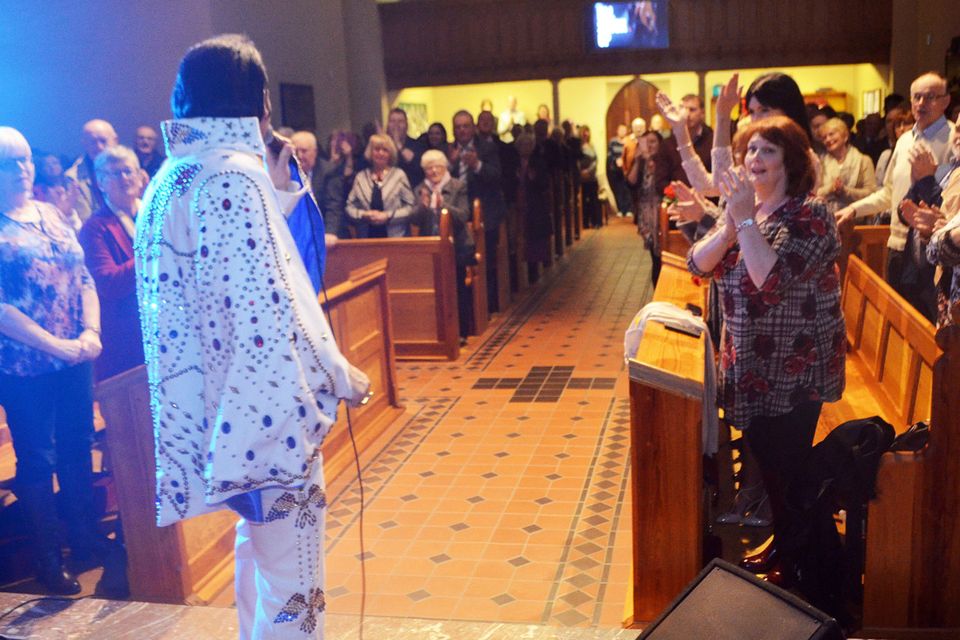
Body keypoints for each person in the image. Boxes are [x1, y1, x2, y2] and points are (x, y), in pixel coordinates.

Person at [135, 34, 370, 639]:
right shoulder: (232, 179)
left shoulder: (169, 179)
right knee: (295, 588)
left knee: (257, 564)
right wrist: (337, 374)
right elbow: (270, 312)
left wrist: (278, 181)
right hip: (266, 423)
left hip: (217, 421)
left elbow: (247, 273)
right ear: (261, 101)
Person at [688, 116, 846, 586]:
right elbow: (698, 263)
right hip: (751, 362)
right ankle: (786, 546)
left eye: (767, 151)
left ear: (791, 162)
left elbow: (769, 280)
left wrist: (741, 221)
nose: (754, 160)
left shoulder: (810, 215)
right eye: (750, 150)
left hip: (796, 367)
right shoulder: (747, 208)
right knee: (772, 465)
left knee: (789, 471)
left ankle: (814, 573)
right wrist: (730, 225)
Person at [0, 126, 118, 596]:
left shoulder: (52, 213)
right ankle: (49, 563)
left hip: (75, 358)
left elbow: (84, 276)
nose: (24, 169)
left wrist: (90, 332)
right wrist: (57, 345)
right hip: (26, 369)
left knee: (76, 447)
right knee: (38, 460)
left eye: (26, 159)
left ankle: (85, 542)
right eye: (11, 162)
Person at [835, 72, 953, 321]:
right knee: (899, 321)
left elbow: (953, 199)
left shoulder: (954, 139)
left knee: (928, 323)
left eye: (930, 97)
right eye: (917, 97)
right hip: (897, 245)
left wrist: (931, 176)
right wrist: (854, 209)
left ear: (945, 101)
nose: (921, 103)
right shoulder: (904, 141)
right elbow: (889, 193)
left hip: (932, 252)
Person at [77, 145, 145, 382]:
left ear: (140, 176)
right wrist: (152, 254)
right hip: (126, 341)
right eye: (114, 174)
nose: (124, 178)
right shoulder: (94, 228)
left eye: (128, 171)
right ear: (100, 182)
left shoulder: (156, 215)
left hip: (170, 329)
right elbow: (108, 283)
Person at [410, 150, 476, 338]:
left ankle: (461, 331)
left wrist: (443, 205)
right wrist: (422, 207)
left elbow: (464, 215)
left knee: (458, 288)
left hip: (458, 247)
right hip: (430, 247)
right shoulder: (420, 189)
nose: (433, 171)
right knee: (433, 290)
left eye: (437, 166)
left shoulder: (458, 186)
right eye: (429, 168)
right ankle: (437, 333)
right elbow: (414, 219)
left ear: (444, 167)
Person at [449, 109, 507, 312]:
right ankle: (465, 310)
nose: (462, 130)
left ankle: (487, 307)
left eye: (466, 126)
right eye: (458, 127)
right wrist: (450, 164)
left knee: (485, 263)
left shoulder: (487, 148)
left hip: (484, 213)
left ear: (473, 128)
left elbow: (496, 176)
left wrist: (476, 165)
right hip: (457, 216)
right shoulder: (449, 151)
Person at [345, 133, 414, 238]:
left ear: (390, 153)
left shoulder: (399, 175)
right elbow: (349, 207)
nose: (380, 153)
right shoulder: (361, 177)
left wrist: (388, 216)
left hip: (395, 237)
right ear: (370, 152)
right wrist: (364, 215)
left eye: (385, 150)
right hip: (366, 238)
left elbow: (410, 207)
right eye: (377, 149)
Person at [291, 130, 343, 250]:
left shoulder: (329, 171)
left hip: (324, 234)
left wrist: (330, 232)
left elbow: (334, 205)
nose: (299, 156)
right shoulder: (287, 171)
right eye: (295, 151)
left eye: (304, 151)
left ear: (314, 152)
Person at [816, 118, 877, 214]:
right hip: (827, 219)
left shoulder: (864, 161)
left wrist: (845, 191)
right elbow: (815, 193)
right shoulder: (820, 163)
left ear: (845, 136)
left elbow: (871, 194)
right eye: (824, 137)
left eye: (831, 134)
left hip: (857, 219)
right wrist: (830, 189)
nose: (828, 139)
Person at [65, 119, 118, 222]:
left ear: (115, 141)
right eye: (93, 142)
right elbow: (86, 221)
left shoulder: (128, 168)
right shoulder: (73, 178)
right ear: (84, 144)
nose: (99, 147)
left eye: (103, 141)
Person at [386, 107, 424, 188]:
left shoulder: (417, 145)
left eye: (400, 121)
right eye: (392, 121)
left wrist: (398, 145)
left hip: (411, 190)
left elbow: (418, 169)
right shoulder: (383, 146)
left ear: (406, 125)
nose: (396, 125)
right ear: (388, 125)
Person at [579, 125, 601, 228]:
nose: (586, 134)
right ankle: (585, 222)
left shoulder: (591, 146)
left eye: (587, 132)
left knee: (593, 200)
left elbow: (595, 160)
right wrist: (581, 171)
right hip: (582, 178)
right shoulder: (578, 147)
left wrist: (589, 171)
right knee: (584, 201)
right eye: (584, 132)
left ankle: (595, 221)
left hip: (591, 177)